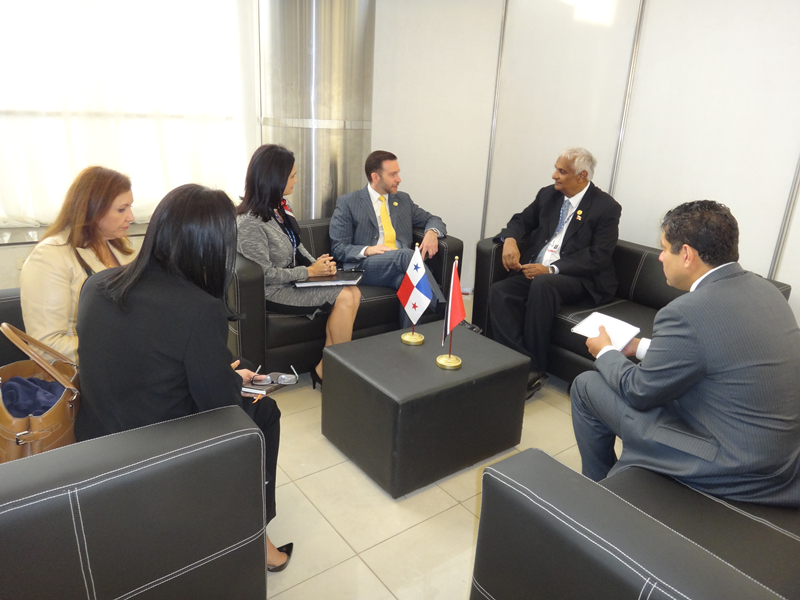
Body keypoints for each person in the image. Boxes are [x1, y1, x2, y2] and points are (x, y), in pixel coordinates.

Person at [75, 184, 292, 570]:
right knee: (264, 411)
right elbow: (221, 408)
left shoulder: (97, 284)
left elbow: (142, 357)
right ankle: (255, 532)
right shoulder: (199, 309)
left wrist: (218, 369)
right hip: (159, 452)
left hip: (97, 436)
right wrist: (229, 378)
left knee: (237, 373)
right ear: (211, 247)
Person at [571, 201, 800, 506]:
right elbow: (716, 352)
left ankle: (598, 496)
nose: (660, 257)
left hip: (731, 466)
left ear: (687, 254)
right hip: (781, 459)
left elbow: (639, 392)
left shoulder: (685, 312)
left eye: (664, 248)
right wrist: (638, 347)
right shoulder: (766, 291)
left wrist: (606, 352)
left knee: (586, 385)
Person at [488, 147, 621, 394]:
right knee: (500, 291)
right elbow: (521, 220)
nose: (554, 176)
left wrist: (551, 269)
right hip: (538, 270)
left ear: (581, 176)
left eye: (562, 171)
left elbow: (599, 255)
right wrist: (510, 240)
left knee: (543, 284)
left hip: (579, 278)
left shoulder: (606, 207)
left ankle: (535, 368)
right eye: (556, 169)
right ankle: (519, 363)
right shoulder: (548, 195)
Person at [236, 145, 361, 388]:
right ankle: (338, 372)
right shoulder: (250, 222)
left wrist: (318, 265)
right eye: (292, 175)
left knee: (353, 292)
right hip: (273, 291)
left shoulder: (281, 208)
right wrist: (309, 272)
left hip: (293, 282)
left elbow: (297, 245)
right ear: (275, 178)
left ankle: (326, 369)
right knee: (346, 297)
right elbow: (263, 275)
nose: (296, 180)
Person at [20, 166, 136, 363]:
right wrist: (124, 347)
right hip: (86, 370)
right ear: (93, 209)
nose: (131, 217)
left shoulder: (120, 248)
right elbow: (45, 346)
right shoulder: (50, 255)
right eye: (121, 209)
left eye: (130, 207)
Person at [329, 151, 447, 311]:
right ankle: (445, 312)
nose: (399, 179)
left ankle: (412, 328)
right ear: (376, 177)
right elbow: (338, 248)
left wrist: (432, 232)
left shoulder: (403, 200)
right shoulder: (349, 202)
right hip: (365, 265)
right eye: (393, 174)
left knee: (407, 283)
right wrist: (368, 250)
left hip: (402, 265)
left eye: (398, 173)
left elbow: (433, 219)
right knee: (407, 255)